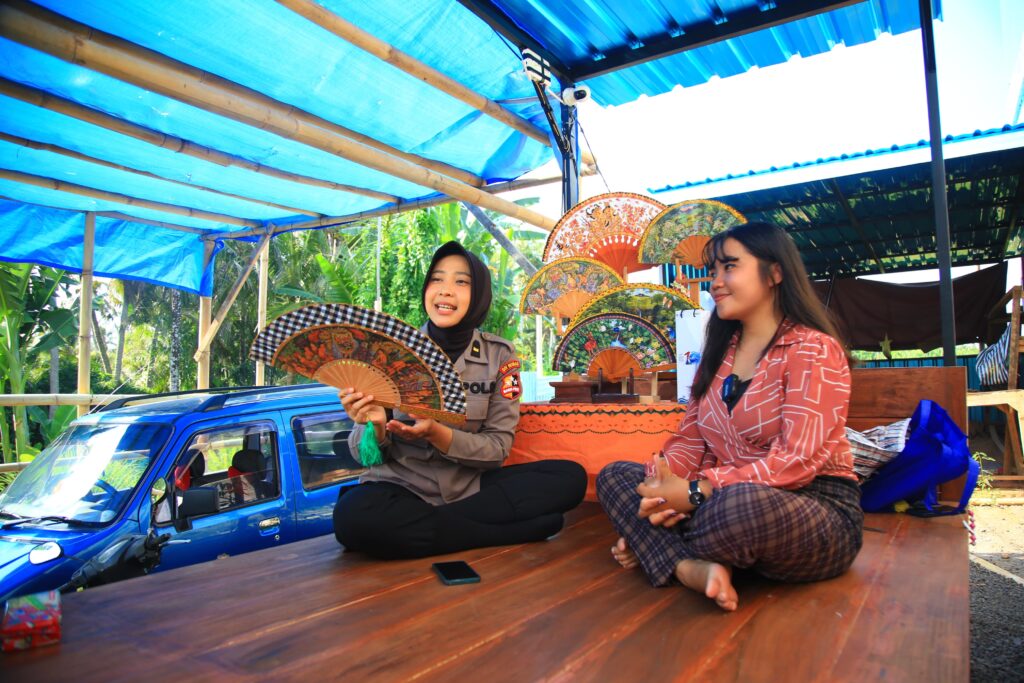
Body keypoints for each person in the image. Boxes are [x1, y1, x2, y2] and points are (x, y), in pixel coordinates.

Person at [596, 222, 863, 612]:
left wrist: (693, 493)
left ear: (774, 273)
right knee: (616, 476)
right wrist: (662, 485)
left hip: (810, 507)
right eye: (714, 270)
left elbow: (797, 462)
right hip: (718, 496)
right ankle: (690, 566)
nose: (715, 282)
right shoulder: (719, 353)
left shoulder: (813, 349)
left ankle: (656, 549)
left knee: (739, 508)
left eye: (730, 267)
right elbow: (691, 440)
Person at [334, 241, 587, 559]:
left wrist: (437, 433)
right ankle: (506, 532)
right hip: (399, 488)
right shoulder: (390, 352)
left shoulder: (500, 356)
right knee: (352, 517)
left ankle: (434, 529)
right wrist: (374, 426)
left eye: (461, 282)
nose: (445, 290)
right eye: (437, 279)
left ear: (479, 294)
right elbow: (365, 457)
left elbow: (497, 450)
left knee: (569, 478)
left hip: (471, 489)